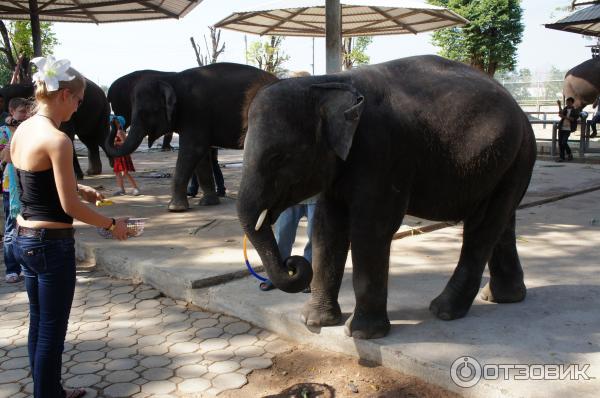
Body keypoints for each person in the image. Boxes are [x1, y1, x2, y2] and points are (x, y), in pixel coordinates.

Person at [10, 56, 130, 398]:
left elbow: (34, 180)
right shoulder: (58, 139)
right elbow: (69, 207)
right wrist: (111, 224)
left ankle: (47, 390)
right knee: (51, 329)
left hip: (24, 238)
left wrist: (79, 187)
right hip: (51, 243)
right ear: (63, 95)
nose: (77, 109)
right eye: (78, 101)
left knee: (38, 322)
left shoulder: (25, 129)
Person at [0, 97, 31, 282]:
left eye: (27, 112)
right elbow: (5, 157)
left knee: (27, 226)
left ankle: (27, 264)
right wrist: (13, 132)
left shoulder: (29, 130)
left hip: (28, 183)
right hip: (10, 186)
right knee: (12, 227)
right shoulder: (4, 132)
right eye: (21, 112)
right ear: (11, 112)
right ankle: (12, 268)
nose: (25, 116)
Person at [259, 195, 317, 292]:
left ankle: (307, 276)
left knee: (315, 236)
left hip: (316, 194)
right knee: (282, 234)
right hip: (289, 195)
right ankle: (277, 275)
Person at [110, 115, 140, 196]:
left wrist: (116, 143)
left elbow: (125, 142)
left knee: (125, 172)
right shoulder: (114, 132)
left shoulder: (120, 132)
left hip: (123, 154)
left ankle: (135, 188)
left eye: (115, 123)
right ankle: (121, 189)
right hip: (117, 154)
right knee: (117, 172)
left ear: (120, 124)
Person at [556, 97, 579, 162]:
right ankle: (562, 157)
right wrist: (559, 105)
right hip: (561, 127)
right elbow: (560, 113)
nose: (567, 103)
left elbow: (573, 119)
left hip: (568, 129)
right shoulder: (565, 109)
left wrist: (564, 117)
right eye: (567, 102)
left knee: (564, 142)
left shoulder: (575, 111)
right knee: (560, 143)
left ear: (572, 103)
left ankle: (569, 153)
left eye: (569, 102)